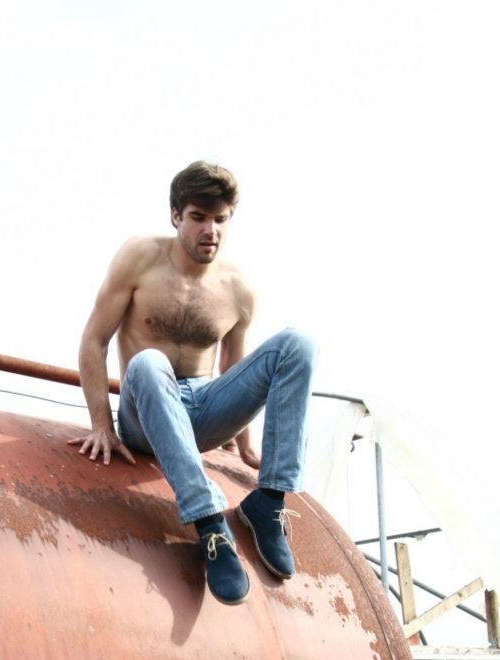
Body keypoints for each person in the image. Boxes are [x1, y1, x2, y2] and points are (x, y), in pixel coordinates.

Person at [70, 160, 317, 605]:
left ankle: (270, 501)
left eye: (220, 219)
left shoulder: (238, 289)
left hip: (205, 409)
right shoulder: (139, 257)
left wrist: (245, 447)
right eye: (199, 217)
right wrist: (101, 425)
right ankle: (210, 527)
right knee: (148, 362)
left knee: (298, 344)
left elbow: (234, 371)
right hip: (145, 412)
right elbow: (93, 340)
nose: (210, 230)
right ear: (175, 215)